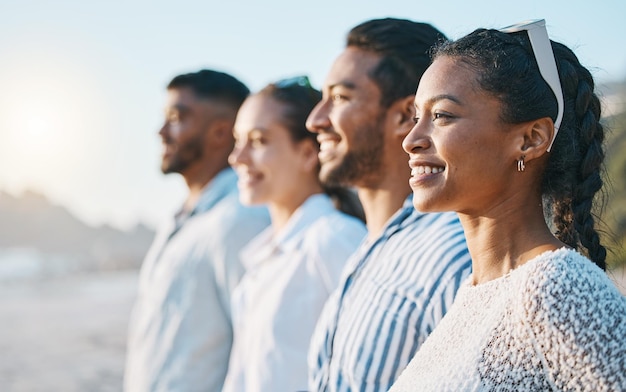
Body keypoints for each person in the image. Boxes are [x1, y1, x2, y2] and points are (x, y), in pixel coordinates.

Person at [390, 19, 626, 391]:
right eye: (416, 117)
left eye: (442, 116)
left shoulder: (555, 287)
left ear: (531, 139)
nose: (412, 140)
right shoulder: (472, 293)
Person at [305, 18, 472, 391]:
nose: (315, 120)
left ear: (403, 116)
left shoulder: (450, 255)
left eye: (340, 98)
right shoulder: (370, 250)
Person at [124, 69, 270, 392]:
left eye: (177, 118)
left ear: (220, 132)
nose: (161, 131)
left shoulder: (242, 220)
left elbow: (261, 355)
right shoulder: (180, 219)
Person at [222, 77, 367, 392]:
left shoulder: (335, 238)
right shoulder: (262, 258)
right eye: (238, 140)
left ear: (306, 153)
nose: (238, 158)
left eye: (258, 141)